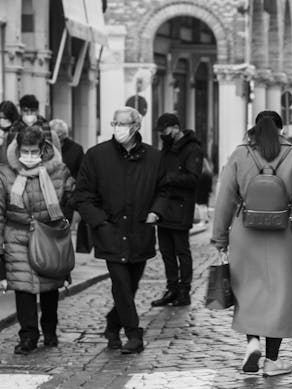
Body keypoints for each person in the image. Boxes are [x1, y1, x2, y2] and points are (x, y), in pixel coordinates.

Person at [212, 111, 292, 376]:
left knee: (249, 290)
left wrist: (219, 238)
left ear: (254, 129)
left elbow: (224, 199)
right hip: (284, 233)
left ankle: (252, 343)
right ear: (281, 130)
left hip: (245, 233)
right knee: (279, 295)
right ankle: (272, 361)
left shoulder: (240, 154)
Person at [73, 107, 167, 354]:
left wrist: (156, 211)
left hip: (140, 231)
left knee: (131, 285)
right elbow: (82, 195)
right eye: (115, 123)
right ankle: (134, 334)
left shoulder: (154, 157)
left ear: (136, 126)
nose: (118, 128)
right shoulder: (96, 156)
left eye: (124, 124)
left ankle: (113, 323)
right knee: (121, 284)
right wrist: (99, 222)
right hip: (110, 232)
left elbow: (165, 190)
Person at [0, 125, 74, 354]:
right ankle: (28, 336)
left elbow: (71, 201)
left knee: (49, 287)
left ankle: (50, 330)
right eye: (25, 151)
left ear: (43, 150)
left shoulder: (58, 171)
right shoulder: (6, 174)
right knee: (23, 289)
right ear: (18, 149)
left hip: (48, 235)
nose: (29, 156)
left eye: (34, 151)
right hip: (17, 236)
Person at [150, 113, 203, 308]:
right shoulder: (167, 147)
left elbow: (193, 178)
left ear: (175, 128)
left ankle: (184, 291)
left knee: (181, 250)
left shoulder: (192, 149)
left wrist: (168, 178)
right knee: (166, 251)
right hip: (163, 206)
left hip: (181, 206)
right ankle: (171, 289)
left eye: (164, 131)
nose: (162, 135)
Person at [194, 157, 213, 226]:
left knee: (201, 207)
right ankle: (205, 219)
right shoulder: (208, 172)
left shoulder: (203, 173)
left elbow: (199, 183)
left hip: (201, 192)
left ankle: (203, 221)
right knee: (203, 207)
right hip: (205, 192)